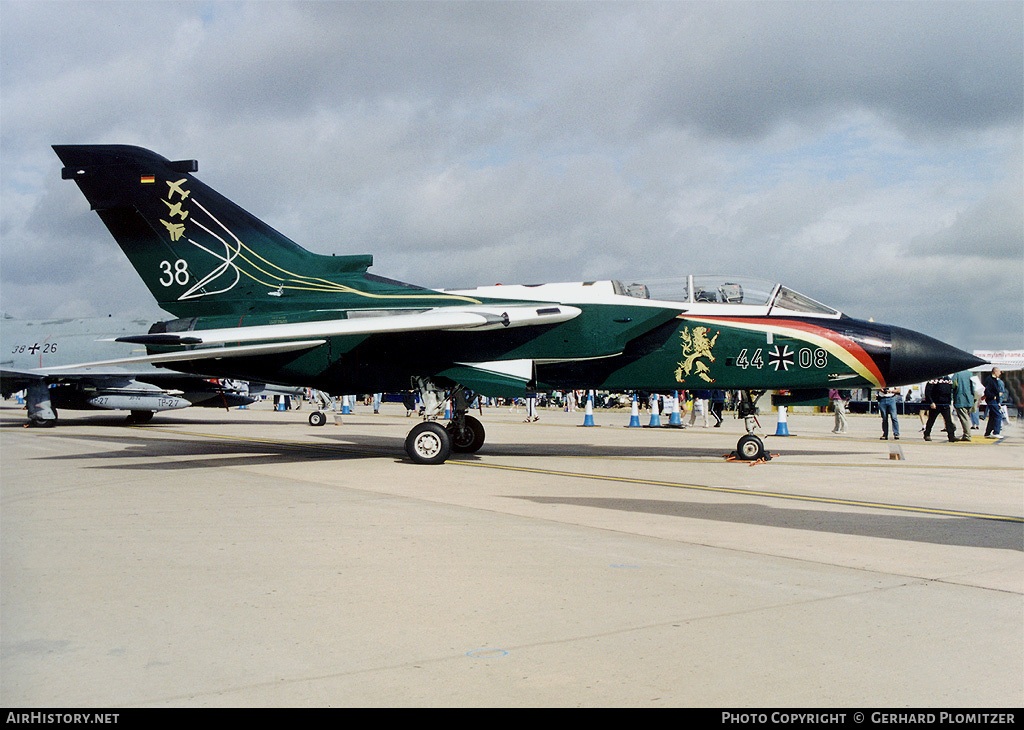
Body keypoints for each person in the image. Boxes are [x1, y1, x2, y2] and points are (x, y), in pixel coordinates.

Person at [922, 375, 956, 442]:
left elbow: (950, 391)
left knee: (948, 421)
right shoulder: (933, 379)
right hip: (936, 404)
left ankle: (951, 436)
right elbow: (928, 391)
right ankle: (927, 434)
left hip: (945, 403)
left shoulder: (948, 379)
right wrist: (931, 402)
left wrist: (949, 402)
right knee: (931, 420)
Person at [950, 369, 975, 441]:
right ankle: (966, 434)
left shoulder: (957, 374)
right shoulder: (970, 373)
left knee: (964, 418)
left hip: (960, 399)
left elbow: (952, 385)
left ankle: (967, 435)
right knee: (967, 417)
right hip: (970, 398)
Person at [983, 368, 1005, 439]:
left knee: (992, 416)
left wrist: (998, 401)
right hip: (991, 400)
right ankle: (996, 432)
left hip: (995, 400)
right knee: (998, 415)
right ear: (995, 372)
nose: (1000, 373)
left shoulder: (994, 379)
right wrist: (993, 397)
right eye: (999, 371)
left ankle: (987, 432)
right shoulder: (989, 380)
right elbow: (986, 390)